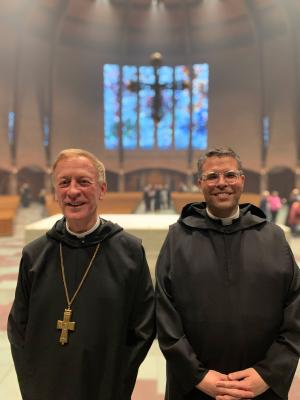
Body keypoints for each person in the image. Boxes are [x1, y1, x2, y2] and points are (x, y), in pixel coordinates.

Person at [8, 148, 155, 400]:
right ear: (55, 192)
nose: (73, 191)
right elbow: (18, 328)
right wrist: (34, 384)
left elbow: (143, 326)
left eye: (83, 182)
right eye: (64, 182)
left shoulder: (129, 252)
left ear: (102, 189)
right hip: (46, 387)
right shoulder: (35, 254)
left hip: (106, 386)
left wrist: (117, 379)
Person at [156, 147, 300, 400]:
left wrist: (268, 373)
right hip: (196, 387)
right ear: (200, 182)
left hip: (258, 386)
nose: (221, 183)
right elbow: (165, 314)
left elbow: (296, 310)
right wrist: (197, 375)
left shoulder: (273, 237)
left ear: (242, 180)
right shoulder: (178, 238)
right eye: (212, 176)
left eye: (230, 175)